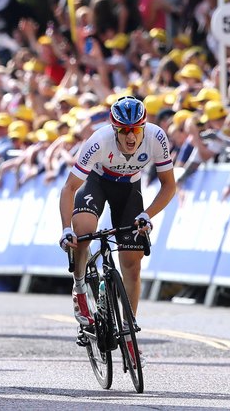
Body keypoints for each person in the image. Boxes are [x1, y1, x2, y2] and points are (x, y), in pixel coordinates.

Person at [58, 96, 177, 336]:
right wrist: (65, 229)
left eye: (135, 130)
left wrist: (147, 214)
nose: (131, 137)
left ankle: (128, 330)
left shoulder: (156, 137)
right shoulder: (99, 141)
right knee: (83, 232)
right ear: (114, 130)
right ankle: (80, 288)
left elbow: (169, 186)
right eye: (124, 131)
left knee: (132, 265)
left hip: (129, 190)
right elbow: (69, 188)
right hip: (97, 184)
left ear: (144, 126)